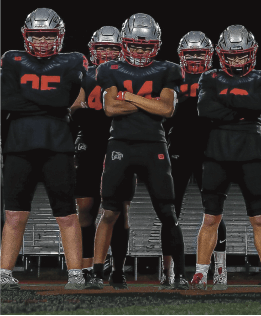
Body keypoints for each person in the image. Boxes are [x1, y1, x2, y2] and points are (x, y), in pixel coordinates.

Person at [89, 13, 189, 290]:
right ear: (125, 43)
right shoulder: (110, 70)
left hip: (154, 145)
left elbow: (167, 109)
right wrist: (149, 102)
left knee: (167, 212)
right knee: (110, 211)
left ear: (156, 45)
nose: (141, 51)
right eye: (136, 45)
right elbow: (110, 108)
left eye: (146, 46)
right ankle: (102, 273)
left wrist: (129, 97)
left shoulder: (167, 70)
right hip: (120, 144)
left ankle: (178, 275)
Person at [1, 8, 87, 290]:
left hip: (57, 145)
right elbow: (7, 102)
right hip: (19, 145)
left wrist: (36, 100)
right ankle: (3, 273)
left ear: (59, 37)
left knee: (66, 213)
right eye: (36, 35)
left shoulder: (72, 60)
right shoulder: (11, 58)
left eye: (47, 35)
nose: (41, 41)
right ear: (26, 36)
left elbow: (75, 93)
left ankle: (75, 275)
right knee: (14, 214)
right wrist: (54, 103)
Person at [191, 25, 261, 290]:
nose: (237, 61)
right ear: (221, 55)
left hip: (251, 153)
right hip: (217, 154)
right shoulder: (209, 77)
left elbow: (259, 103)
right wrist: (241, 109)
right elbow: (204, 108)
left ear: (251, 54)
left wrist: (225, 104)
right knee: (210, 218)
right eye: (231, 56)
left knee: (260, 218)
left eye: (241, 56)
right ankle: (200, 272)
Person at [160, 31, 229, 290]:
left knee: (214, 212)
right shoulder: (172, 77)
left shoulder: (218, 78)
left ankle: (219, 269)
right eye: (191, 54)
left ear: (209, 55)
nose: (196, 58)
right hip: (178, 147)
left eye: (200, 53)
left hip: (210, 150)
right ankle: (168, 271)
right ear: (182, 55)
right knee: (170, 211)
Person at [70, 26, 136, 289]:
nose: (107, 53)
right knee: (85, 207)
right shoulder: (85, 75)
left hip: (120, 143)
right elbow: (75, 107)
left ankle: (118, 270)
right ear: (93, 51)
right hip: (90, 143)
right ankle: (87, 269)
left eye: (112, 48)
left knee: (120, 210)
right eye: (102, 48)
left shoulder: (132, 75)